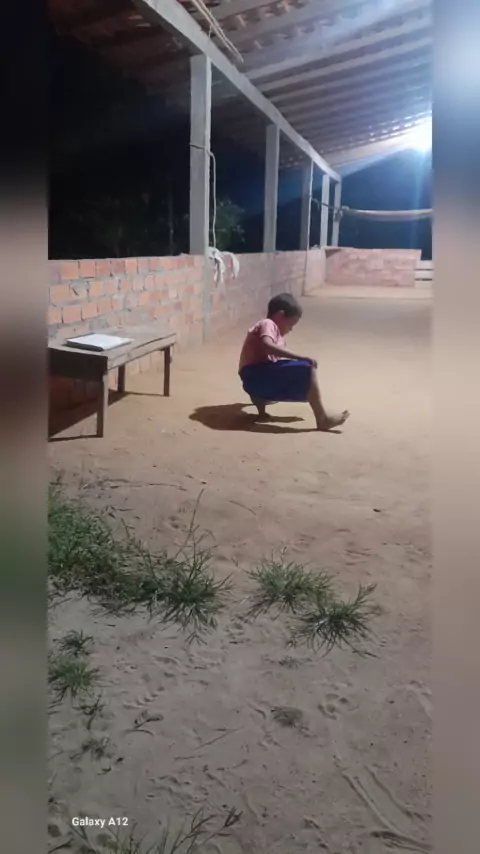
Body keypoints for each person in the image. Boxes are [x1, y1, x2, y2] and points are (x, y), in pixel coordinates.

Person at [238, 293, 350, 431]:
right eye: (291, 324)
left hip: (253, 379)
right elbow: (267, 347)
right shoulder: (268, 324)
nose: (291, 329)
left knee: (285, 369)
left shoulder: (275, 334)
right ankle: (322, 419)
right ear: (280, 316)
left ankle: (262, 411)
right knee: (307, 368)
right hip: (254, 376)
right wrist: (300, 358)